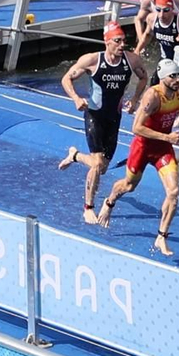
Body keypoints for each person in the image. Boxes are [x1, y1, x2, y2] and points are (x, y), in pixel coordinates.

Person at [96, 58, 179, 255]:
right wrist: (167, 136)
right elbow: (136, 128)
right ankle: (109, 201)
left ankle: (161, 236)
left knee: (174, 192)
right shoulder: (152, 97)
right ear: (163, 77)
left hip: (163, 149)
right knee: (129, 186)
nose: (177, 79)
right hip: (143, 147)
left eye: (178, 75)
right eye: (172, 76)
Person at [57, 21, 147, 224]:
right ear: (106, 41)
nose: (122, 44)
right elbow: (66, 79)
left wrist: (134, 99)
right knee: (97, 164)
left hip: (114, 118)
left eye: (124, 40)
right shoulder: (91, 60)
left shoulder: (131, 60)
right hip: (94, 116)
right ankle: (88, 207)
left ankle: (75, 155)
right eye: (117, 41)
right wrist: (76, 98)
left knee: (103, 167)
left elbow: (144, 77)